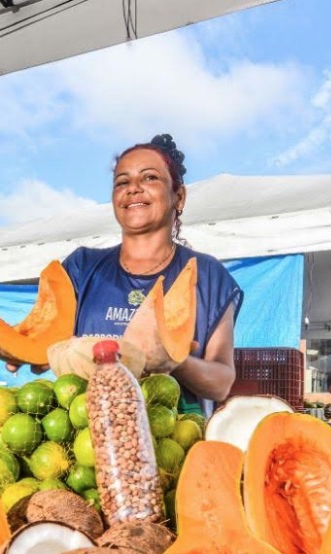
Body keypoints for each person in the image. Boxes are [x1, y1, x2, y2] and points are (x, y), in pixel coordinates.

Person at [58, 134, 241, 413]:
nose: (133, 188)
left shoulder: (208, 275)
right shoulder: (81, 267)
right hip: (92, 429)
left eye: (150, 178)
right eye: (122, 182)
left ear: (179, 196)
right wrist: (28, 351)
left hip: (178, 434)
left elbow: (221, 383)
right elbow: (53, 346)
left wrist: (174, 360)